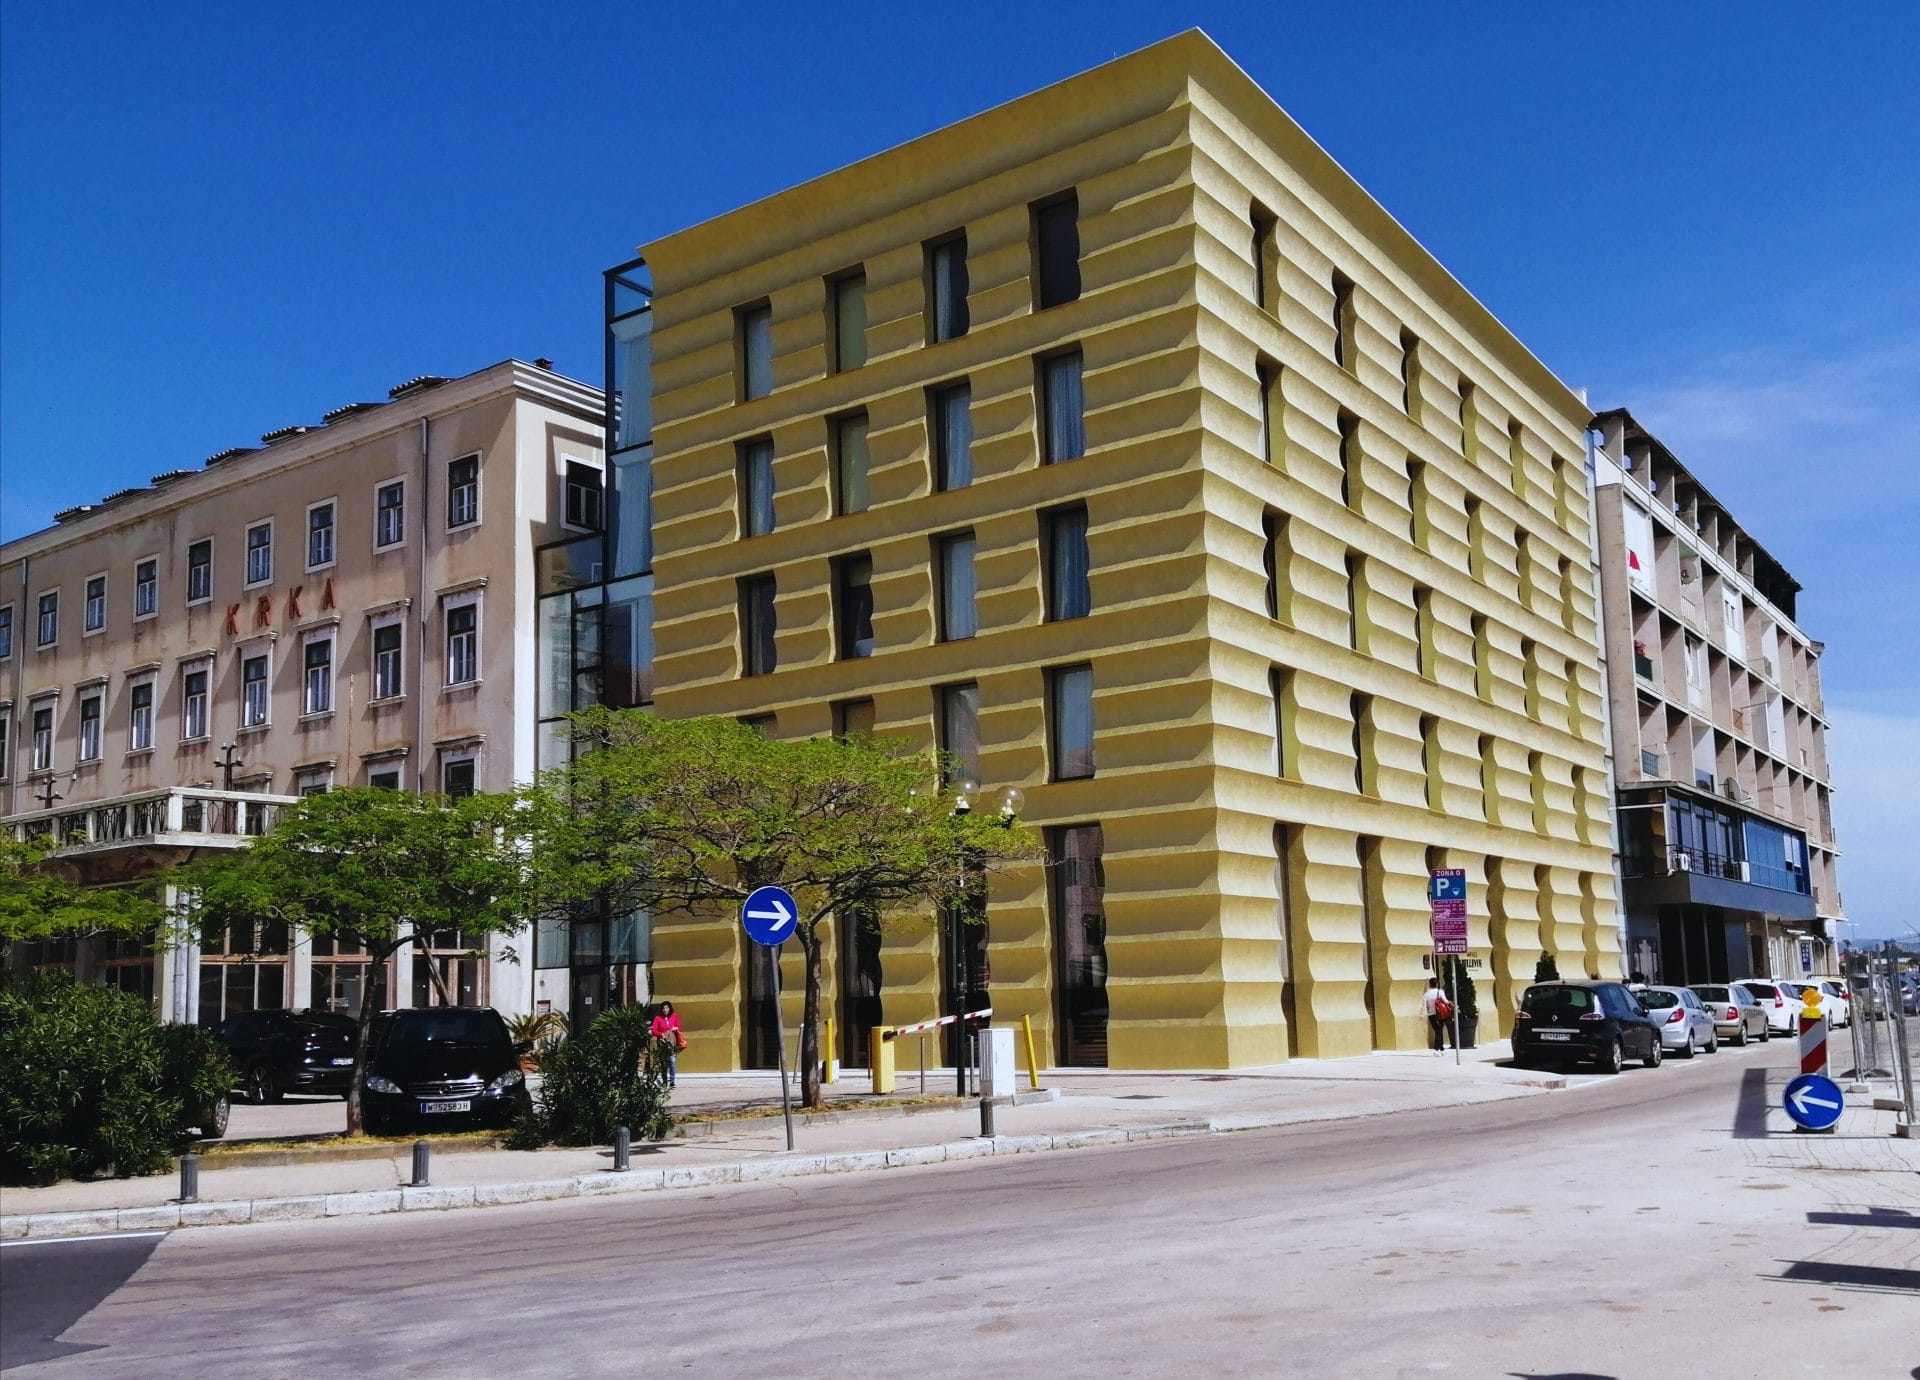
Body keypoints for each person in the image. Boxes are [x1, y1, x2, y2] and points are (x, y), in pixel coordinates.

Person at [650, 1000, 684, 1087]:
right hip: (662, 1043)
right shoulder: (658, 1018)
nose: (665, 1010)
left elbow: (679, 1027)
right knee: (663, 1062)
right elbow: (654, 1030)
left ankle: (672, 1081)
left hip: (672, 1043)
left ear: (670, 1008)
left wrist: (675, 1028)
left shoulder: (675, 1017)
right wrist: (661, 1034)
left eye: (666, 1008)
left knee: (672, 1061)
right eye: (663, 1008)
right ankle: (665, 1081)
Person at [1422, 977, 1453, 1053]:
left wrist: (1422, 1014)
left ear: (1430, 984)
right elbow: (1446, 1002)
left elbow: (1425, 1006)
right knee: (1439, 1031)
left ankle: (1441, 1048)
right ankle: (1436, 1049)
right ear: (1437, 984)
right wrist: (1451, 1004)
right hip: (1440, 1014)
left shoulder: (1426, 994)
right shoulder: (1440, 992)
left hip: (1431, 1015)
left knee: (1438, 1031)